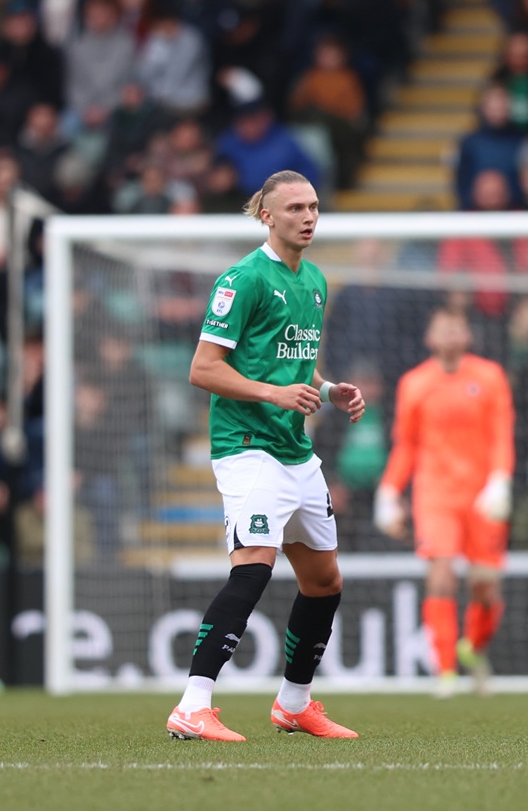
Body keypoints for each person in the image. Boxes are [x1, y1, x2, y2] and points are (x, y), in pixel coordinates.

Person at [165, 170, 366, 742]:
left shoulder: (315, 280)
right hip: (247, 447)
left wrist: (328, 389)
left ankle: (293, 704)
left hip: (295, 451)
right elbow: (203, 369)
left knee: (324, 581)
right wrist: (274, 394)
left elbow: (292, 360)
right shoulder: (243, 279)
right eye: (295, 208)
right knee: (254, 566)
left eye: (314, 206)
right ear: (267, 215)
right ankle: (192, 705)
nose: (308, 217)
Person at [373, 308, 515, 698]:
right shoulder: (414, 383)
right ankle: (446, 670)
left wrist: (500, 480)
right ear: (429, 338)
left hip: (482, 494)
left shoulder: (490, 376)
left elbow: (501, 435)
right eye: (443, 327)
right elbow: (406, 444)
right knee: (440, 574)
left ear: (468, 336)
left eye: (457, 327)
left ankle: (474, 647)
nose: (451, 332)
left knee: (486, 587)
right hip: (435, 493)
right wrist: (389, 491)